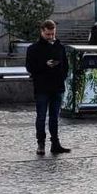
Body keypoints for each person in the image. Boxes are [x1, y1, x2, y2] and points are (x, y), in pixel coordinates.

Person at [25, 20, 71, 156]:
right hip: (42, 87)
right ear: (42, 32)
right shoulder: (33, 48)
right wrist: (45, 65)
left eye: (52, 34)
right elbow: (30, 67)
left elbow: (66, 66)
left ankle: (55, 143)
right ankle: (41, 143)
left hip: (57, 86)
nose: (50, 37)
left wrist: (61, 75)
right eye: (48, 34)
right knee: (41, 117)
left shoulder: (60, 47)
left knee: (54, 117)